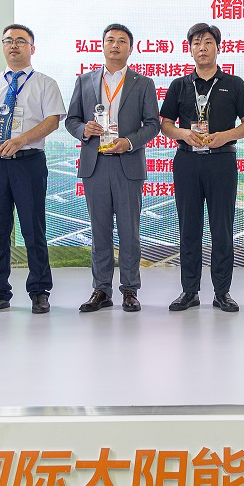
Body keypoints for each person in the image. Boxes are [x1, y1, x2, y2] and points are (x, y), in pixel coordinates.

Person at [0, 24, 66, 315]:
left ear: (32, 48)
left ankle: (39, 291)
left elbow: (52, 121)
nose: (13, 45)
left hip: (28, 162)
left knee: (33, 229)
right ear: (2, 46)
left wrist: (21, 140)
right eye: (8, 40)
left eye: (20, 41)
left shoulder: (45, 83)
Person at [159, 23, 244, 313]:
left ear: (218, 48)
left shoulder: (234, 83)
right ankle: (189, 291)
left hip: (221, 161)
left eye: (208, 42)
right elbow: (165, 124)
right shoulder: (179, 85)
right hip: (187, 160)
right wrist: (183, 133)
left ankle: (222, 292)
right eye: (197, 43)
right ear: (190, 50)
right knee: (189, 228)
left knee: (222, 228)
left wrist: (225, 136)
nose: (202, 48)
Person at [65, 23, 160, 313]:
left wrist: (128, 142)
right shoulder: (85, 81)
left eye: (121, 41)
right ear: (102, 45)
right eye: (110, 40)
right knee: (99, 231)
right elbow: (71, 120)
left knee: (129, 231)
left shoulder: (143, 83)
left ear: (131, 49)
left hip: (127, 164)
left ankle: (130, 289)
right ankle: (101, 290)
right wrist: (84, 129)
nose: (115, 45)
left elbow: (153, 125)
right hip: (95, 165)